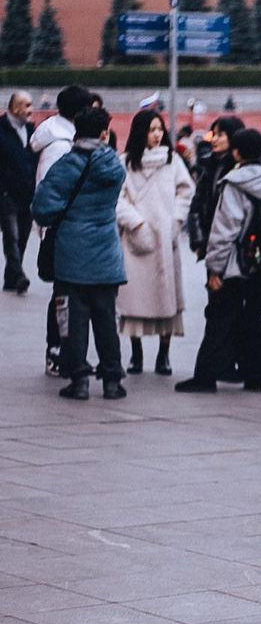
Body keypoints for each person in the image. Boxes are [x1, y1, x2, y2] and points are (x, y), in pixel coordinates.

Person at [31, 107, 128, 400]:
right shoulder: (115, 166)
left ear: (76, 133)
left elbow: (42, 209)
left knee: (71, 320)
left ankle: (79, 379)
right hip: (107, 255)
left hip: (72, 255)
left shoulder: (67, 165)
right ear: (104, 133)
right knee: (106, 320)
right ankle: (112, 379)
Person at [176, 129, 261, 394]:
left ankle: (206, 375)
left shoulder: (234, 182)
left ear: (237, 153)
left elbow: (225, 230)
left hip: (236, 262)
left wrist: (215, 268)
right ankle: (256, 375)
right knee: (257, 315)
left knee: (219, 316)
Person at [114, 110, 195, 377]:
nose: (157, 134)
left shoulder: (173, 162)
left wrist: (176, 220)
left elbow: (186, 191)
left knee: (166, 297)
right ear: (140, 132)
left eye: (160, 129)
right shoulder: (124, 163)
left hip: (165, 237)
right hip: (137, 236)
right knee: (134, 297)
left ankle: (164, 354)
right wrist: (134, 222)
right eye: (151, 129)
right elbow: (118, 198)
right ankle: (136, 354)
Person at [31, 84, 94, 375]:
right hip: (62, 231)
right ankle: (56, 351)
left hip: (70, 230)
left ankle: (67, 351)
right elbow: (50, 193)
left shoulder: (65, 139)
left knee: (69, 293)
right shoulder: (59, 146)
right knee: (63, 294)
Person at [188, 116, 243, 261]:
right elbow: (196, 205)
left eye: (220, 135)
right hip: (211, 242)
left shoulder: (241, 169)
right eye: (213, 134)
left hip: (236, 244)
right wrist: (199, 241)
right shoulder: (209, 166)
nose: (214, 140)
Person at [0, 91, 35, 293]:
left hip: (27, 194)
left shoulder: (31, 131)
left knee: (22, 237)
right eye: (26, 105)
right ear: (14, 108)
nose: (30, 110)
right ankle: (20, 274)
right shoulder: (1, 130)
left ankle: (11, 278)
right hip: (6, 195)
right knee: (11, 236)